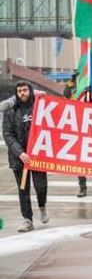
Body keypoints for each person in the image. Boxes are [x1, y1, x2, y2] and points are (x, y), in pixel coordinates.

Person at [2, 81, 49, 232]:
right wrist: (20, 153)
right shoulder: (11, 111)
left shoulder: (40, 107)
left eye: (25, 90)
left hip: (37, 156)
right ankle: (27, 219)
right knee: (23, 189)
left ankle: (42, 206)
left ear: (30, 91)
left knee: (40, 186)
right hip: (19, 158)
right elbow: (8, 134)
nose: (22, 93)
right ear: (16, 93)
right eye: (19, 91)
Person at [62, 78, 92, 197]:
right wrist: (71, 82)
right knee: (80, 164)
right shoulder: (76, 103)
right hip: (80, 137)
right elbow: (66, 96)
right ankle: (82, 188)